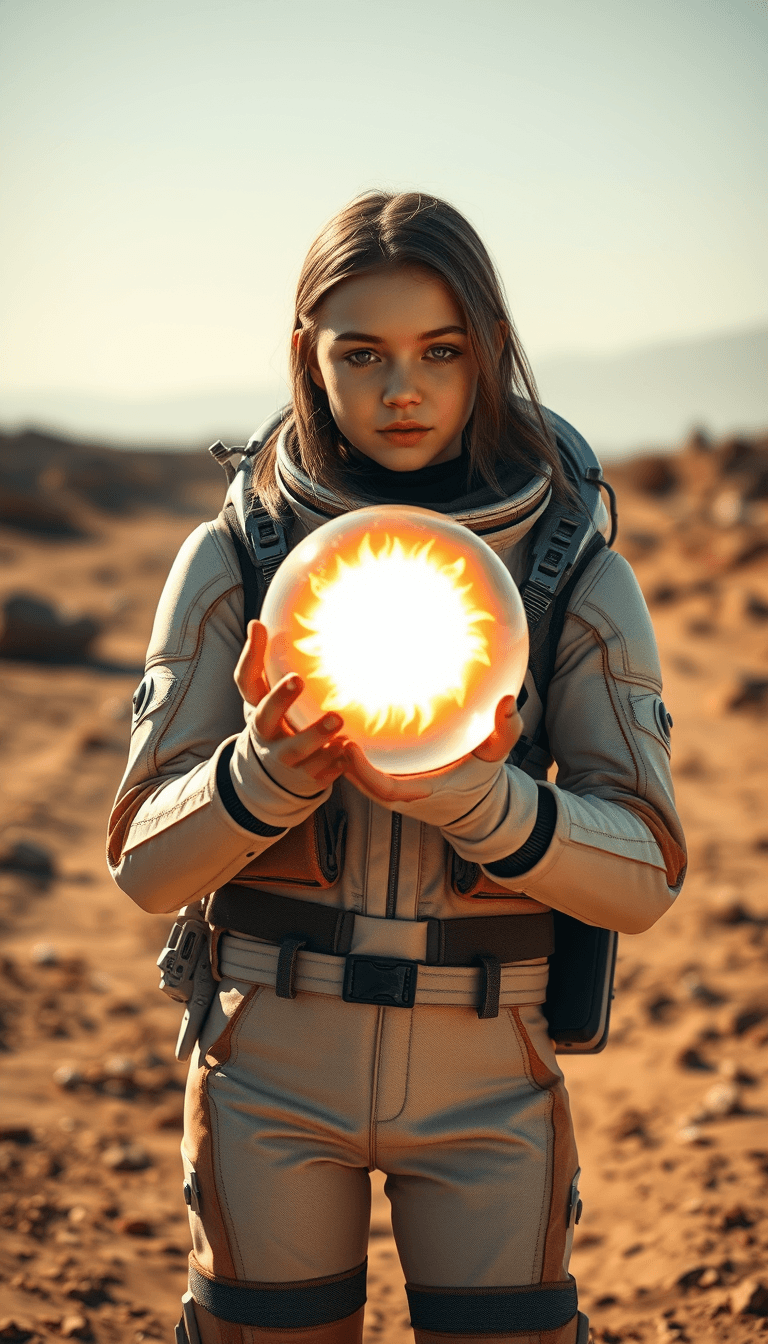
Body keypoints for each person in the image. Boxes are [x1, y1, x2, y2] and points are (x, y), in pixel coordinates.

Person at [108, 191, 686, 1344]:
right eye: (361, 353)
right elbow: (142, 865)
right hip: (269, 1059)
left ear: (491, 353)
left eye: (441, 350)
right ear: (305, 358)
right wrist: (262, 774)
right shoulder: (235, 557)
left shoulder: (571, 567)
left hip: (489, 1072)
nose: (402, 389)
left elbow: (647, 874)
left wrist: (487, 801)